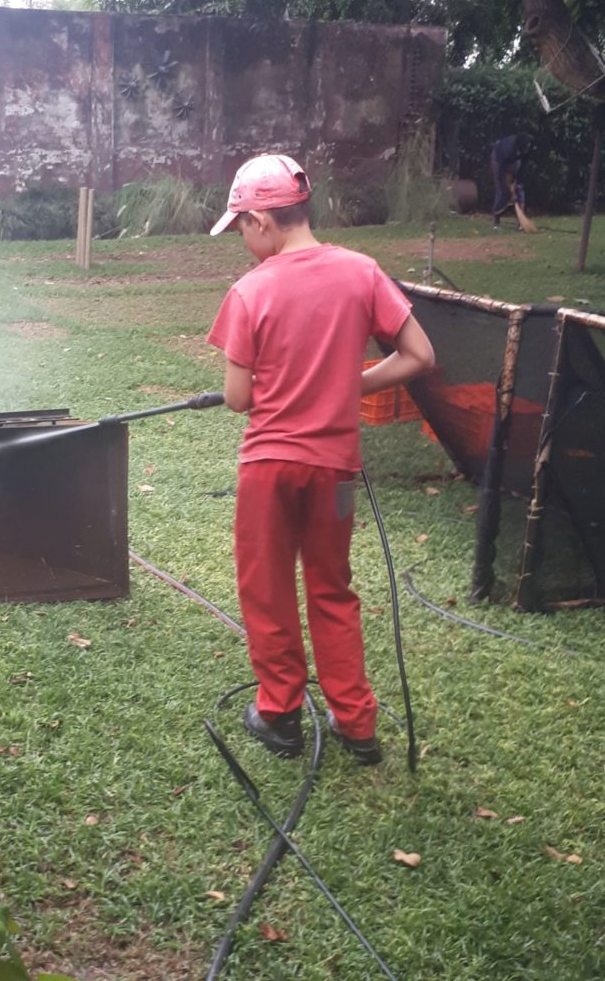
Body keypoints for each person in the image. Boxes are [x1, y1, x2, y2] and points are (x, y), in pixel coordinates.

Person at [206, 153, 435, 766]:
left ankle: (278, 714)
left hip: (270, 471)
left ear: (261, 221)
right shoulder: (361, 272)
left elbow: (237, 400)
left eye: (241, 231)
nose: (243, 245)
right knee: (333, 587)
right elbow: (418, 355)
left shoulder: (250, 290)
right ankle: (357, 724)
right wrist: (348, 384)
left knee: (268, 587)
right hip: (336, 472)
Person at [491, 132, 533, 229]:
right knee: (501, 190)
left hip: (514, 160)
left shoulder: (526, 148)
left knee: (519, 188)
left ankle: (521, 222)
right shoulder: (506, 150)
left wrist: (516, 182)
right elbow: (501, 173)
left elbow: (522, 168)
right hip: (499, 159)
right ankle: (496, 221)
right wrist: (509, 191)